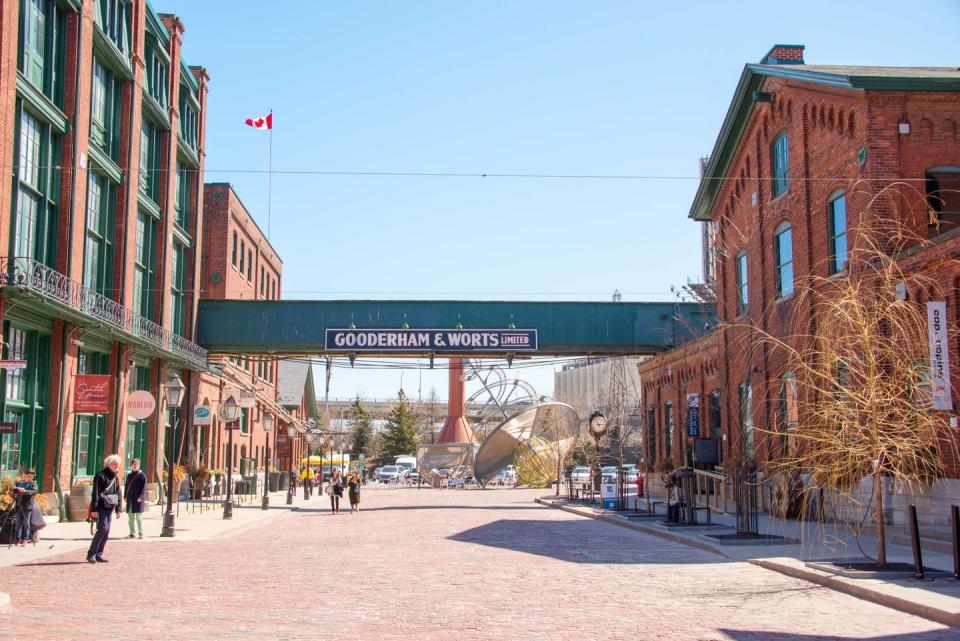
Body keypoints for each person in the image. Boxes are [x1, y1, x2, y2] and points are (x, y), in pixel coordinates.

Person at [87, 454, 122, 563]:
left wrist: (118, 508)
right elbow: (95, 494)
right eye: (114, 464)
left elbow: (118, 493)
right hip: (100, 507)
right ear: (108, 464)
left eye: (118, 464)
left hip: (110, 507)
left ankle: (98, 554)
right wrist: (94, 510)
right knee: (102, 528)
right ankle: (91, 554)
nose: (116, 466)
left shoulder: (115, 477)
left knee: (106, 531)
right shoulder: (100, 476)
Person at [13, 469, 38, 546]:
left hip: (27, 506)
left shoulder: (33, 484)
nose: (30, 477)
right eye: (29, 476)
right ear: (26, 475)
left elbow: (34, 492)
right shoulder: (20, 483)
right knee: (18, 523)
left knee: (26, 523)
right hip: (18, 505)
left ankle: (26, 539)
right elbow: (14, 490)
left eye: (31, 476)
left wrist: (25, 491)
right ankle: (17, 538)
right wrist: (16, 490)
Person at [124, 458, 147, 539]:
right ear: (131, 465)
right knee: (130, 518)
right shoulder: (129, 475)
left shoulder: (142, 475)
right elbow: (127, 486)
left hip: (138, 499)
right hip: (130, 498)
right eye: (134, 464)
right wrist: (125, 496)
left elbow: (144, 487)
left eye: (137, 464)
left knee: (139, 517)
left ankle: (141, 533)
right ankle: (132, 533)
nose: (135, 466)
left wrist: (141, 496)